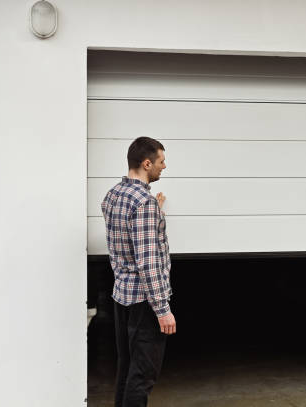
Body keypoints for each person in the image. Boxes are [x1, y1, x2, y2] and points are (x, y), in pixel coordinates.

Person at [101, 136, 175, 407]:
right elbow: (147, 261)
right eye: (161, 161)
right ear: (146, 163)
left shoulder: (114, 195)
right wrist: (162, 309)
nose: (164, 166)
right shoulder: (143, 204)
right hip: (145, 300)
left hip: (122, 296)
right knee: (143, 374)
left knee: (127, 367)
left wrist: (157, 212)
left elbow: (127, 238)